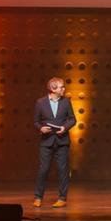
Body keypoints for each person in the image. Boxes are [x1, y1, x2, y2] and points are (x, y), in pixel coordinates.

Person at [33, 77, 77, 208]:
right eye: (61, 87)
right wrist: (41, 128)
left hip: (62, 141)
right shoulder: (40, 103)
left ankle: (62, 198)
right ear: (53, 89)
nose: (64, 89)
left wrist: (65, 128)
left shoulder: (66, 102)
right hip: (47, 142)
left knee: (63, 171)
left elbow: (72, 119)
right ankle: (38, 197)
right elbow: (36, 121)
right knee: (43, 169)